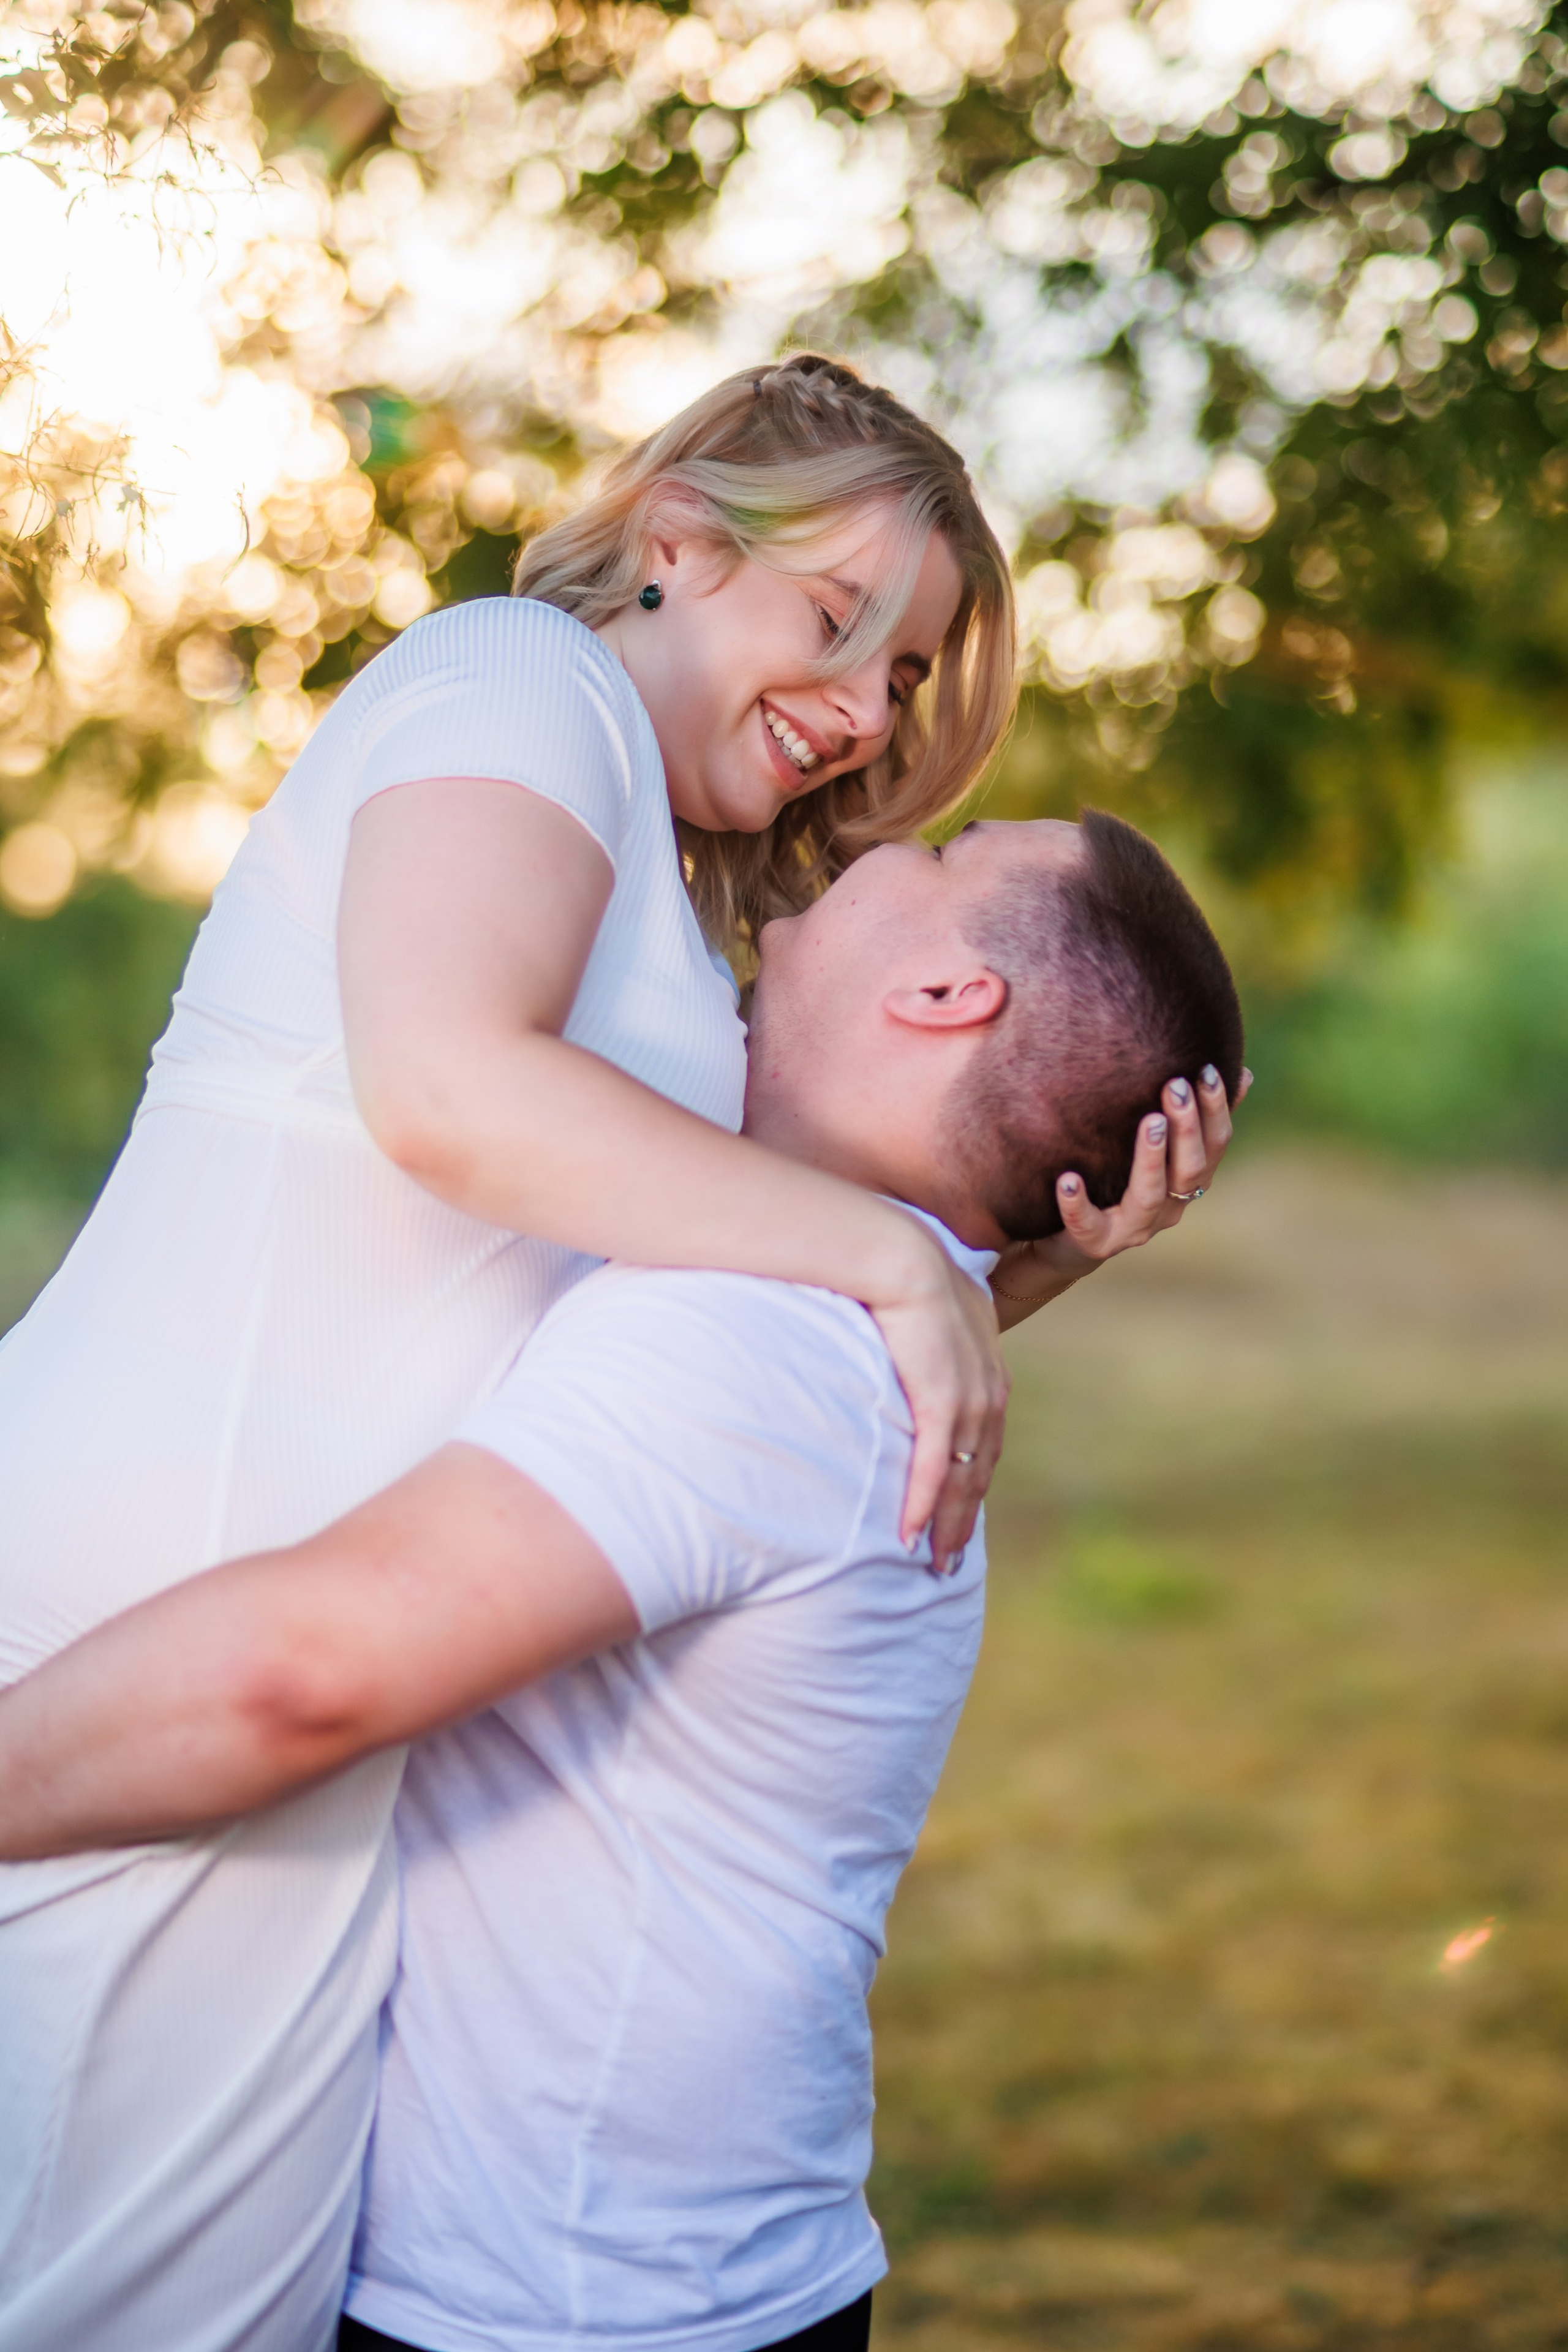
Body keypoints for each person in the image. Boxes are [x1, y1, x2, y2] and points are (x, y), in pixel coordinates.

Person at [0, 811, 1244, 2352]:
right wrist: (1023, 1261)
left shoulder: (756, 1344)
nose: (895, 832)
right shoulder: (843, 1326)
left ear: (945, 996)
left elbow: (300, 1675)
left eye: (954, 848)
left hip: (573, 2323)